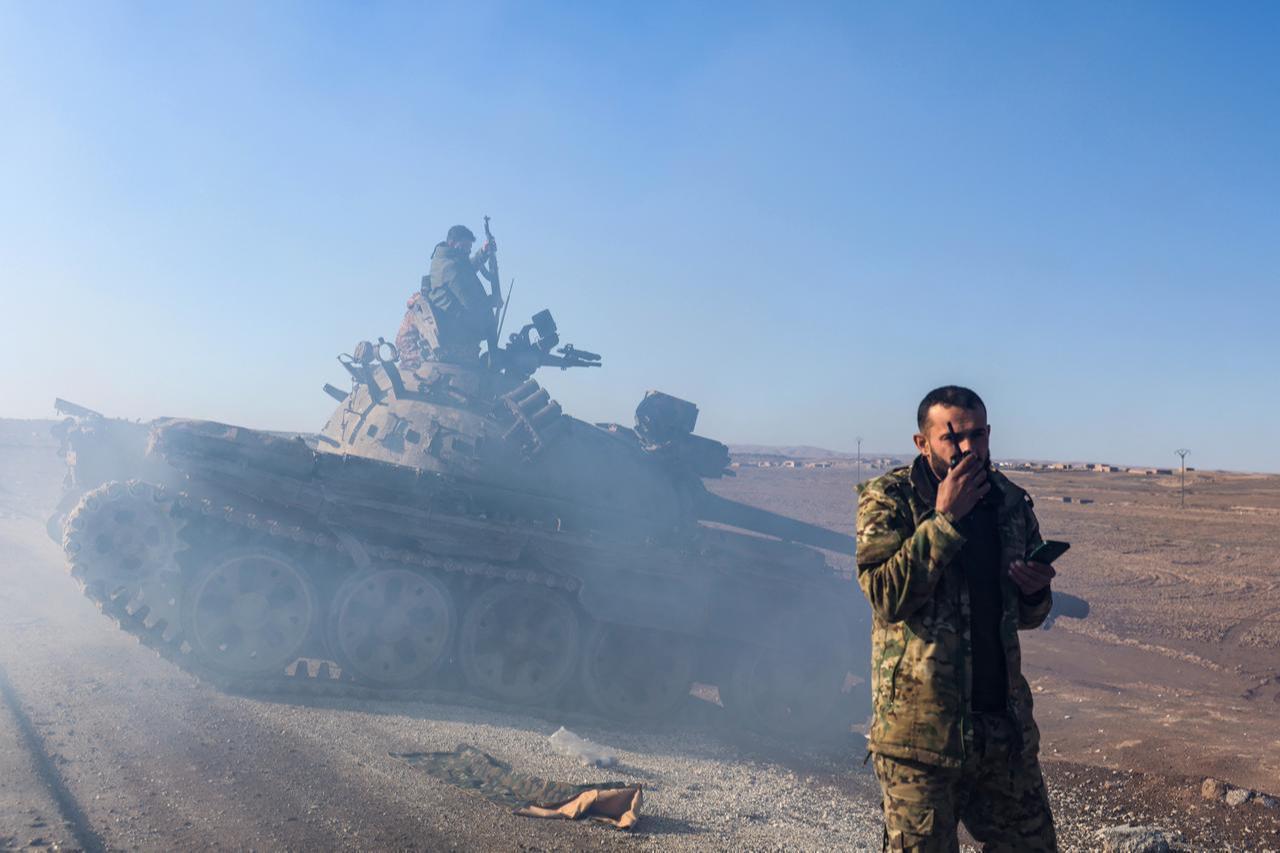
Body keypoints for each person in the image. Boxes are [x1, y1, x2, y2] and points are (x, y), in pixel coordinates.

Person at [855, 385, 1058, 852]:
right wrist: (944, 520)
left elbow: (1025, 617)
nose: (969, 448)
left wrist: (1036, 589)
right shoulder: (889, 500)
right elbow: (886, 596)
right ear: (921, 442)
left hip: (1002, 735)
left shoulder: (1008, 502)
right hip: (920, 740)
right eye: (953, 438)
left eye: (979, 435)